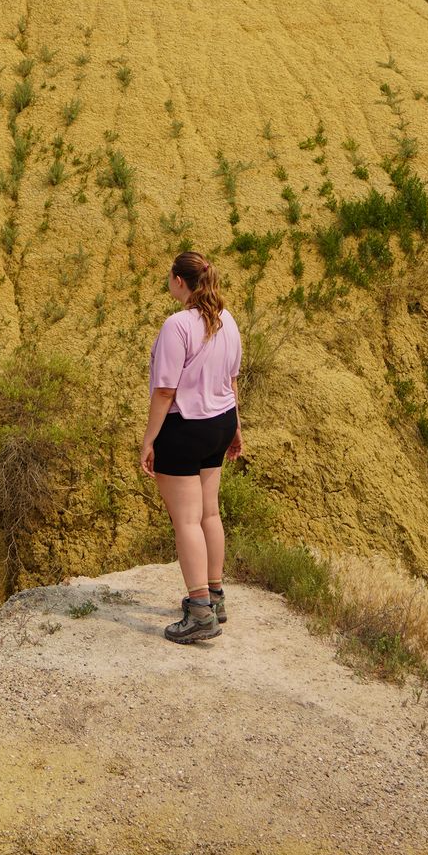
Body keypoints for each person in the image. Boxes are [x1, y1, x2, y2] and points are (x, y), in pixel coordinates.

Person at [139, 250, 243, 643]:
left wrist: (149, 439)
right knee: (209, 513)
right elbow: (232, 381)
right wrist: (237, 429)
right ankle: (215, 596)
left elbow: (165, 390)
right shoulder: (227, 320)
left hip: (184, 427)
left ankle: (199, 612)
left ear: (179, 281)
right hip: (220, 423)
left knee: (186, 520)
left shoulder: (177, 325)